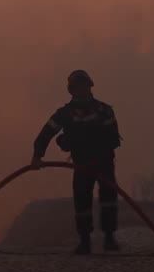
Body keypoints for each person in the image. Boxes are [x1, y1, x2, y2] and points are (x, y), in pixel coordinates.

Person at [31, 70, 123, 254]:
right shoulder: (65, 114)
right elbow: (46, 133)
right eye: (78, 87)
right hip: (82, 164)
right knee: (82, 201)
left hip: (103, 162)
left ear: (90, 87)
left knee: (108, 199)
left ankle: (109, 238)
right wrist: (37, 156)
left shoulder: (104, 111)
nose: (82, 90)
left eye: (84, 86)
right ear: (71, 90)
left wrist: (84, 141)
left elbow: (114, 138)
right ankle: (85, 241)